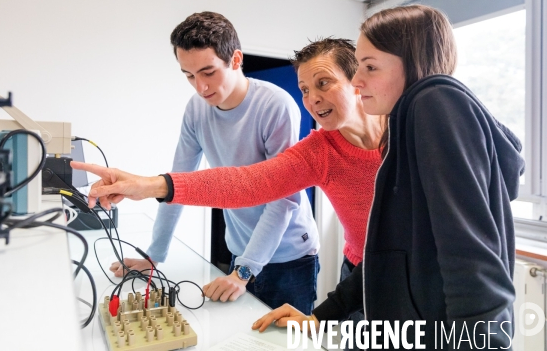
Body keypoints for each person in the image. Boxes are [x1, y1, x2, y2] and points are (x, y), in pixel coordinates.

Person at [252, 5, 524, 349]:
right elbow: (388, 253)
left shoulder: (434, 101)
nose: (358, 80)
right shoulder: (404, 129)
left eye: (369, 67)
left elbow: (471, 258)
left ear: (410, 63)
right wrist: (319, 316)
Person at [71, 38, 384, 334]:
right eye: (304, 89)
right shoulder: (317, 152)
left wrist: (245, 271)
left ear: (358, 79)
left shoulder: (404, 130)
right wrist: (149, 186)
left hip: (399, 267)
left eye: (323, 83)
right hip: (358, 269)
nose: (312, 99)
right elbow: (247, 183)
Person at [106, 11, 321, 314]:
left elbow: (283, 197)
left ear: (235, 59)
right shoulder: (196, 109)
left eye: (208, 72)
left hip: (289, 257)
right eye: (189, 76)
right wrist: (154, 255)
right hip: (240, 252)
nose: (200, 87)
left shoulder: (276, 105)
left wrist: (244, 271)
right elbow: (176, 184)